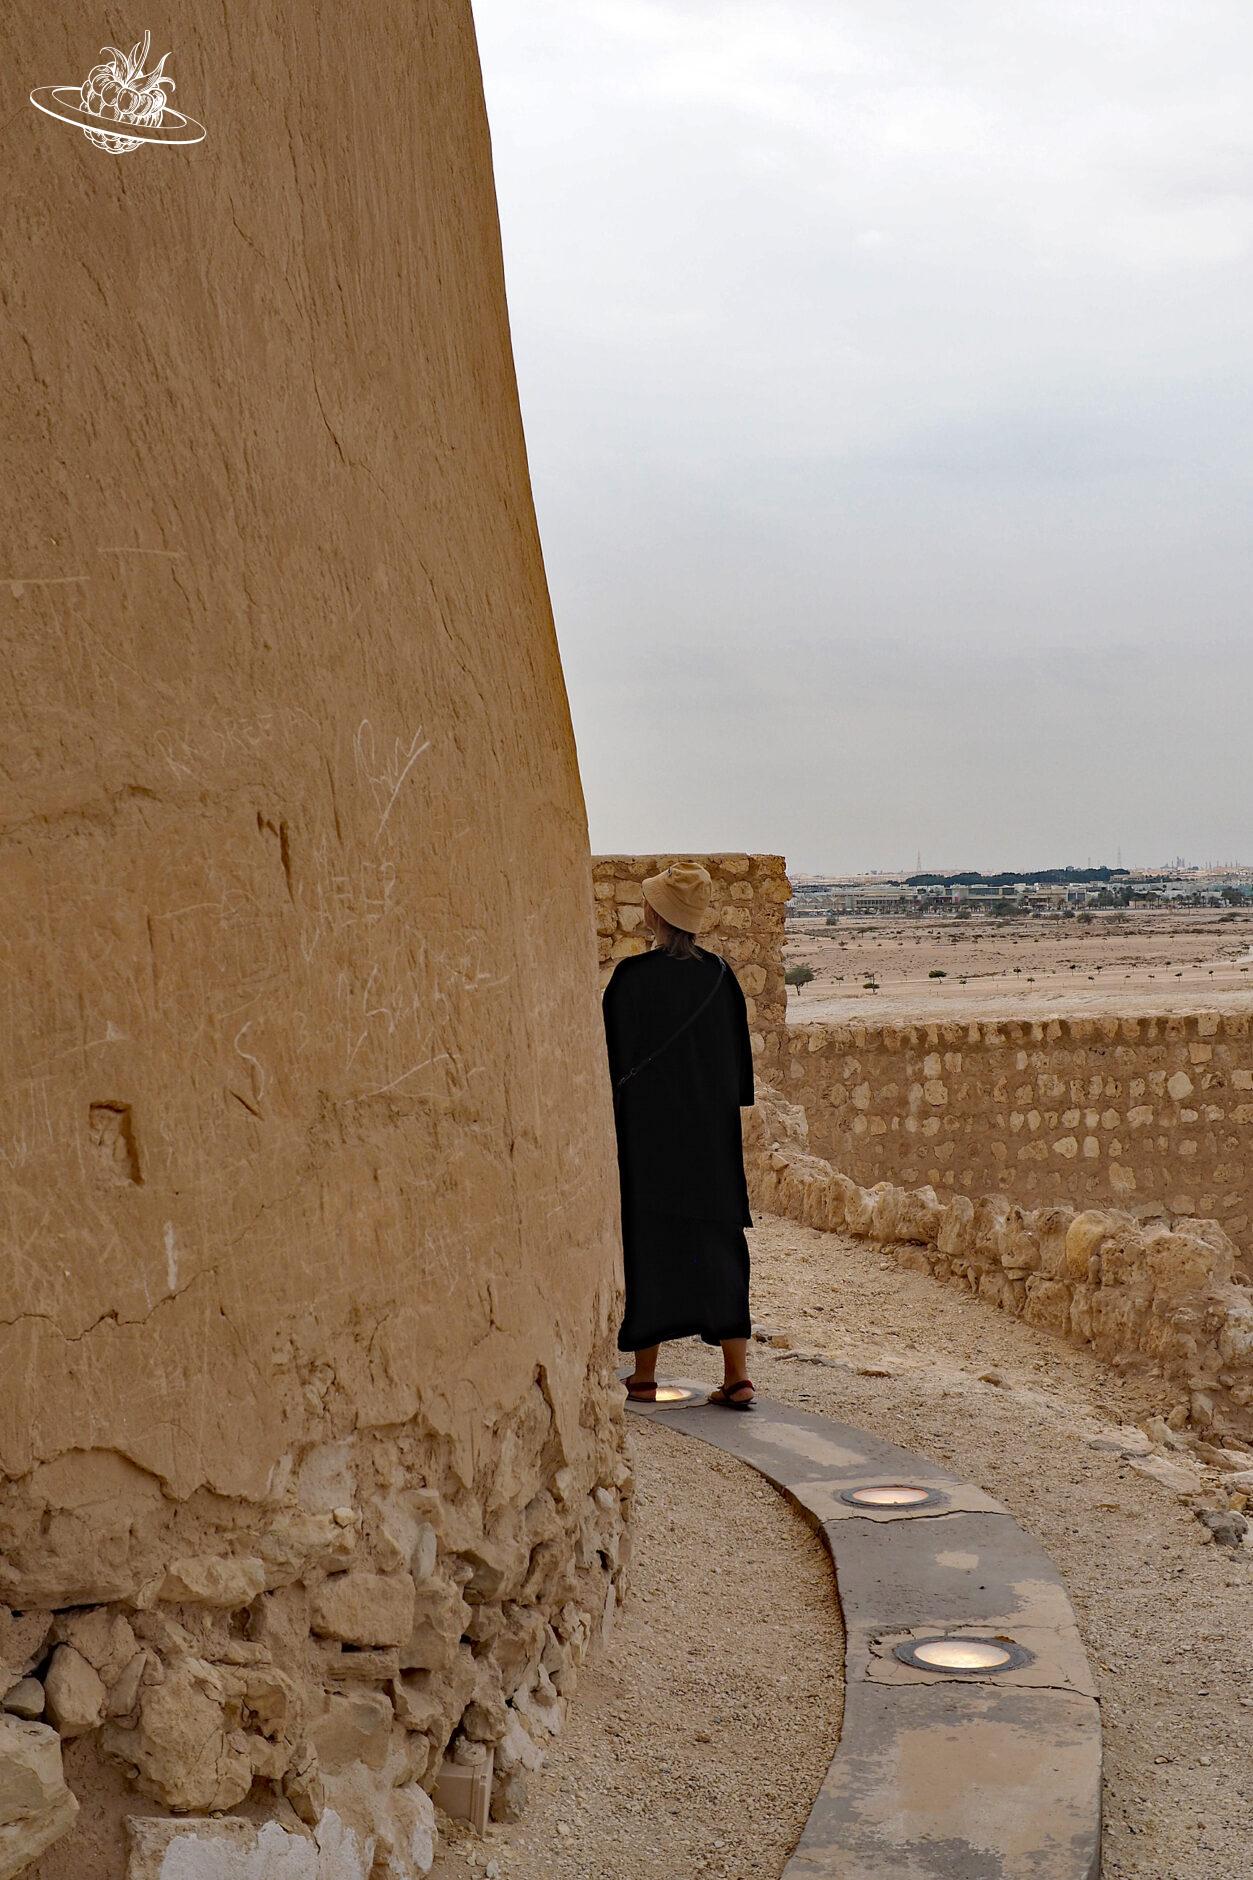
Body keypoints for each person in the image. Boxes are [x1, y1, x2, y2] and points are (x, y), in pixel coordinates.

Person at [601, 860, 757, 1409]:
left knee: (649, 1245)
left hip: (647, 1141)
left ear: (655, 914)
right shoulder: (722, 979)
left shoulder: (630, 980)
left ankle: (643, 1374)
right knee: (720, 1246)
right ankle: (736, 1374)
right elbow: (741, 1075)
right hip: (711, 1140)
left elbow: (610, 1062)